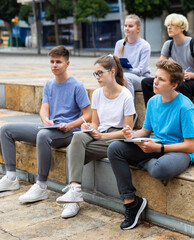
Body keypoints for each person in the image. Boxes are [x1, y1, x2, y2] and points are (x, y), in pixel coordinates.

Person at [0, 46, 91, 204]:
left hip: (69, 132)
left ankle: (41, 186)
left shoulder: (77, 86)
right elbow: (44, 108)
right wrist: (45, 119)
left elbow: (88, 114)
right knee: (6, 130)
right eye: (51, 62)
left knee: (43, 135)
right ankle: (10, 178)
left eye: (58, 62)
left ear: (67, 64)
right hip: (51, 128)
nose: (54, 65)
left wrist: (70, 125)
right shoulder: (49, 85)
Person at [107, 59, 194, 230]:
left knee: (159, 169)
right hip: (156, 146)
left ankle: (142, 162)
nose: (155, 82)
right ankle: (131, 203)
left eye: (161, 79)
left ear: (174, 85)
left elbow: (190, 146)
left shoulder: (186, 107)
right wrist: (131, 135)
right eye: (155, 77)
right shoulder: (153, 102)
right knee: (115, 148)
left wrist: (159, 148)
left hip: (178, 151)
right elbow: (145, 131)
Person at [55, 55, 135, 218]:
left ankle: (74, 198)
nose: (97, 77)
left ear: (112, 72)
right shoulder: (97, 94)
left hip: (116, 138)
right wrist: (88, 127)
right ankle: (75, 192)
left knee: (73, 150)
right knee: (77, 138)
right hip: (99, 134)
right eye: (95, 74)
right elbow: (96, 124)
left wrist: (102, 137)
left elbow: (128, 132)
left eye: (100, 73)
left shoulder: (126, 95)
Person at [141, 13, 194, 106]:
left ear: (182, 28)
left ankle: (183, 114)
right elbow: (160, 67)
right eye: (168, 25)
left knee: (180, 86)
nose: (169, 27)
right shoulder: (168, 44)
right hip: (177, 79)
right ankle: (154, 112)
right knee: (146, 83)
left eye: (173, 25)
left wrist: (189, 75)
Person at [114, 14, 151, 98]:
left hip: (141, 79)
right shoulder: (119, 44)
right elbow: (115, 65)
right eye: (125, 25)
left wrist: (124, 70)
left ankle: (130, 110)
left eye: (130, 26)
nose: (127, 28)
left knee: (125, 78)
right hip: (124, 75)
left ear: (138, 29)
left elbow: (141, 71)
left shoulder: (145, 46)